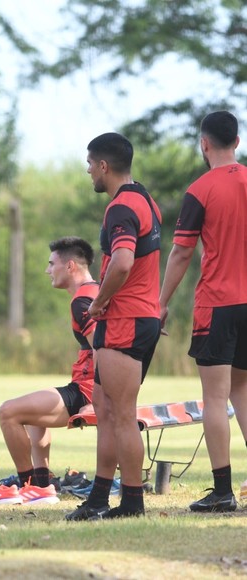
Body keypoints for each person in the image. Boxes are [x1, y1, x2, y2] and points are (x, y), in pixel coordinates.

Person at [66, 132, 161, 521]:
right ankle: (98, 499)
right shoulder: (146, 199)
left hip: (125, 318)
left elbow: (122, 262)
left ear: (104, 166)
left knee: (121, 413)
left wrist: (100, 302)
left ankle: (133, 503)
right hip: (134, 316)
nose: (88, 171)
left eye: (90, 164)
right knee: (104, 409)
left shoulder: (121, 207)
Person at [159, 111, 247, 513]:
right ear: (238, 142)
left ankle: (223, 491)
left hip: (218, 304)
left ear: (204, 143)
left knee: (215, 398)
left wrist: (160, 304)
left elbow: (180, 252)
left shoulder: (200, 190)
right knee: (243, 390)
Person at [0, 237, 98, 506]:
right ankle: (42, 485)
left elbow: (103, 349)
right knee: (32, 413)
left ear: (69, 266)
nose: (47, 270)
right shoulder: (96, 291)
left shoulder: (82, 301)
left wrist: (97, 400)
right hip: (88, 387)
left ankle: (27, 485)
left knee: (8, 412)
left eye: (51, 264)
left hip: (88, 392)